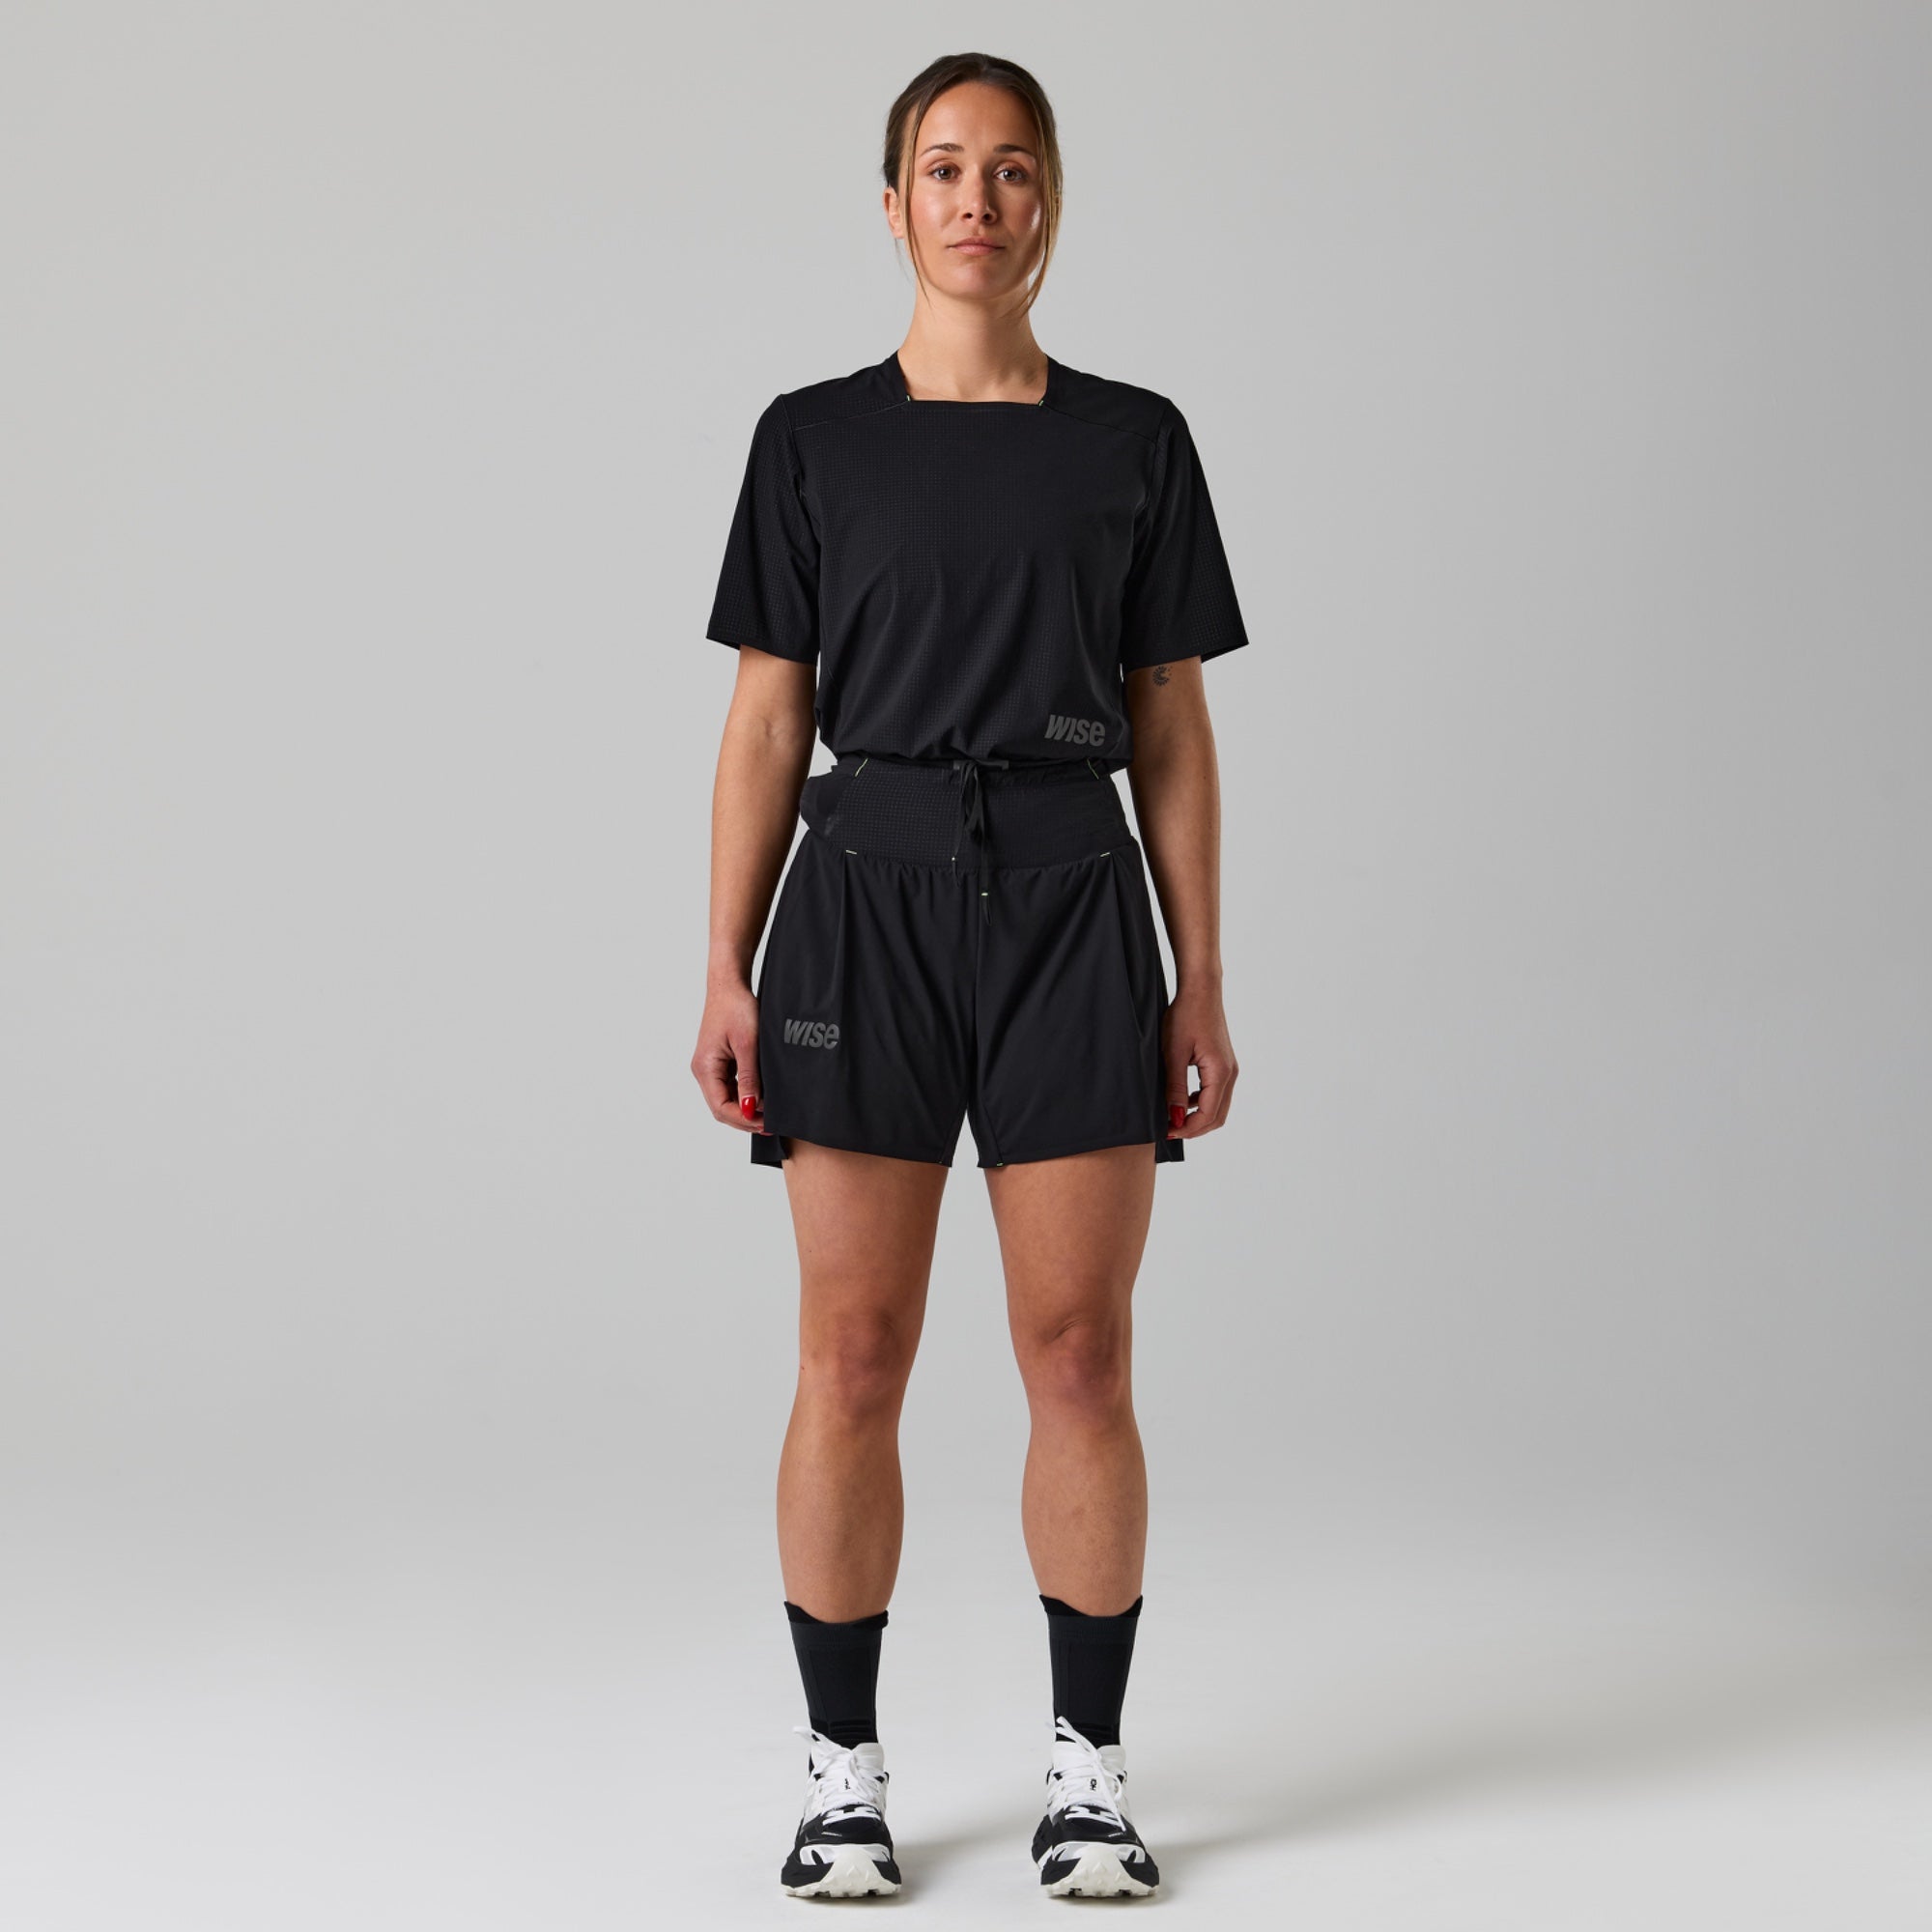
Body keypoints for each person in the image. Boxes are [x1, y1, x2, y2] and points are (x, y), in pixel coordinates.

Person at [691, 50, 1249, 1901]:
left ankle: (1088, 1777)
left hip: (1075, 902)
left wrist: (1199, 976)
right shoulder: (811, 439)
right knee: (853, 1351)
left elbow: (1171, 728)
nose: (977, 201)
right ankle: (841, 1776)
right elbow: (767, 720)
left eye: (1012, 171)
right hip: (863, 901)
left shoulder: (1134, 441)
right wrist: (725, 965)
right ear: (892, 204)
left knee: (1078, 1352)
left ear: (1050, 204)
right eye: (943, 168)